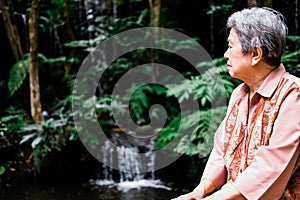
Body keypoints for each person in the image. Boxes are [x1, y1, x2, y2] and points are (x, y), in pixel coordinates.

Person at [172, 7, 299, 200]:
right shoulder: (239, 94)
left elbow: (270, 166)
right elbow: (221, 151)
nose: (225, 54)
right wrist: (200, 191)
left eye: (231, 46)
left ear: (256, 54)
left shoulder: (293, 94)